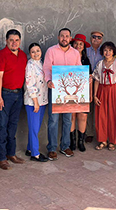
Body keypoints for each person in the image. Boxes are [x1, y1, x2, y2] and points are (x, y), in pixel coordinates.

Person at [43, 28, 81, 160]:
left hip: (69, 91)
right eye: (62, 36)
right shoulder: (51, 51)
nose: (65, 38)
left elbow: (78, 69)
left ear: (70, 38)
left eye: (67, 36)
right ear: (58, 37)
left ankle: (65, 146)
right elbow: (46, 68)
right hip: (55, 89)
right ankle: (52, 148)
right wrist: (48, 80)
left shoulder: (76, 53)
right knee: (53, 120)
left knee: (67, 119)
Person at [0, 29, 28, 170]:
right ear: (6, 41)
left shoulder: (23, 55)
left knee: (13, 125)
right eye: (11, 40)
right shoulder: (1, 55)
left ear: (20, 41)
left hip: (18, 94)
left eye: (16, 40)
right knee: (2, 126)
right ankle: (1, 157)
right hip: (5, 94)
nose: (14, 43)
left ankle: (11, 153)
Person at [93, 42, 116, 151]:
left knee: (114, 115)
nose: (107, 52)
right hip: (102, 90)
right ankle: (102, 139)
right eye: (105, 50)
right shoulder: (100, 64)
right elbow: (97, 80)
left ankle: (112, 141)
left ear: (113, 52)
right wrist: (95, 95)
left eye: (110, 50)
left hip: (115, 90)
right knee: (101, 115)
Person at [24, 43, 49, 162]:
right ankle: (35, 154)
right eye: (33, 52)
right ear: (30, 54)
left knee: (36, 127)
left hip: (42, 99)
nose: (36, 53)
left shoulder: (42, 63)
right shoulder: (30, 65)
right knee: (34, 127)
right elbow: (30, 84)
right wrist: (35, 102)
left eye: (38, 51)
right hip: (33, 101)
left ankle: (29, 148)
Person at [70, 34, 91, 152]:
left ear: (83, 47)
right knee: (71, 116)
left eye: (80, 44)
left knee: (82, 117)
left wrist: (90, 93)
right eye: (76, 43)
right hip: (70, 91)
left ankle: (81, 141)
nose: (78, 46)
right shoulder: (68, 57)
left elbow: (90, 77)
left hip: (83, 92)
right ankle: (72, 141)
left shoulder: (86, 60)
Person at [85, 31, 104, 143]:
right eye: (94, 37)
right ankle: (89, 133)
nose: (96, 39)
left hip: (100, 83)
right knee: (88, 109)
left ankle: (101, 133)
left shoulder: (104, 51)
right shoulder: (86, 51)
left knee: (100, 108)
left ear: (101, 39)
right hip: (86, 82)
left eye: (99, 37)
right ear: (90, 38)